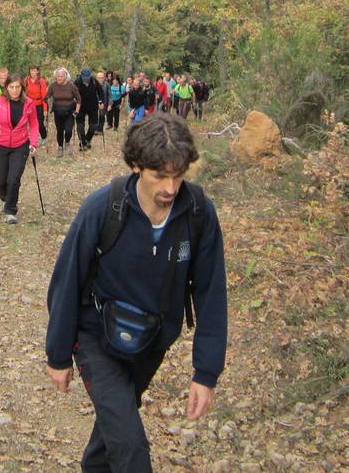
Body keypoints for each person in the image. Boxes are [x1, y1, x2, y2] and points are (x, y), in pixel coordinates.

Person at [45, 112, 227, 472]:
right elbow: (66, 280)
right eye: (160, 176)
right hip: (96, 336)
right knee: (130, 447)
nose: (171, 188)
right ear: (135, 166)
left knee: (116, 425)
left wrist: (206, 372)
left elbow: (211, 293)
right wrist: (58, 354)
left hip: (152, 342)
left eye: (179, 175)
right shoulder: (102, 209)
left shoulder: (197, 214)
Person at [0, 73, 40, 224]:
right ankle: (5, 197)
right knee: (1, 180)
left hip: (21, 145)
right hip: (1, 144)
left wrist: (33, 143)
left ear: (22, 88)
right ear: (6, 87)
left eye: (17, 87)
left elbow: (34, 124)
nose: (14, 90)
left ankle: (10, 210)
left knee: (14, 178)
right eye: (11, 87)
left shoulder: (29, 103)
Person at [47, 68, 80, 159]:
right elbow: (47, 96)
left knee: (68, 130)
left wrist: (77, 111)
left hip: (70, 112)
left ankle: (67, 143)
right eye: (58, 76)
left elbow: (78, 99)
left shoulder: (72, 86)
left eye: (62, 76)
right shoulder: (53, 86)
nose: (60, 78)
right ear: (56, 76)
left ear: (66, 76)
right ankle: (60, 147)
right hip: (58, 112)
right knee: (60, 131)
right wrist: (47, 99)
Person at [75, 68, 101, 152]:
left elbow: (101, 92)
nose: (86, 79)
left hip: (93, 106)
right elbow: (72, 93)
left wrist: (101, 102)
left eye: (87, 77)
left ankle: (87, 139)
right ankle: (83, 143)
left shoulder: (94, 81)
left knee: (93, 126)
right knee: (80, 126)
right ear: (81, 76)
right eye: (84, 77)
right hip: (80, 107)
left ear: (90, 76)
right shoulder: (77, 82)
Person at [25, 65, 49, 145]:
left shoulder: (41, 81)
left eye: (34, 70)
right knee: (30, 123)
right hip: (29, 105)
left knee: (40, 123)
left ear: (37, 71)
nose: (33, 72)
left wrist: (45, 109)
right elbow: (24, 93)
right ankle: (32, 138)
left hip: (39, 105)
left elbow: (44, 97)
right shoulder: (26, 80)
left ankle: (44, 136)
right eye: (31, 70)